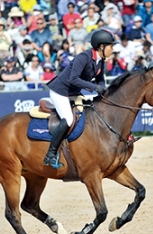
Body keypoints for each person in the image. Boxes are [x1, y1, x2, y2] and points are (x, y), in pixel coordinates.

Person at [43, 29, 116, 168]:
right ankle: (50, 154)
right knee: (69, 120)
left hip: (75, 92)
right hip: (61, 92)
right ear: (101, 46)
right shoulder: (83, 57)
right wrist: (94, 88)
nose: (113, 49)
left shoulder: (101, 61)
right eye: (111, 46)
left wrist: (103, 92)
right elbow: (73, 79)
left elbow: (100, 80)